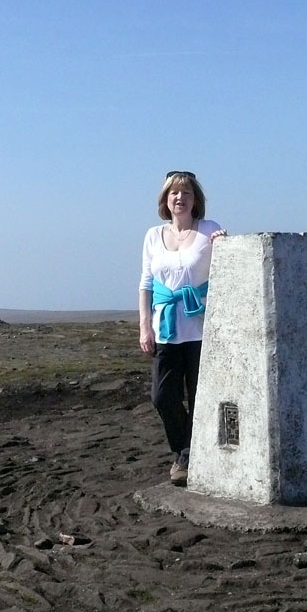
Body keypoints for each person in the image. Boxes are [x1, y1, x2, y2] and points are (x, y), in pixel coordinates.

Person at [139, 171, 226, 485]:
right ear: (165, 200)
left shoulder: (210, 230)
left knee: (200, 396)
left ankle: (186, 458)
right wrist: (144, 328)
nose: (180, 197)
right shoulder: (152, 236)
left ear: (195, 199)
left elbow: (229, 264)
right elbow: (146, 284)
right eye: (173, 193)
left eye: (186, 192)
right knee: (162, 396)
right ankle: (186, 447)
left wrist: (224, 245)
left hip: (203, 328)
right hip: (166, 328)